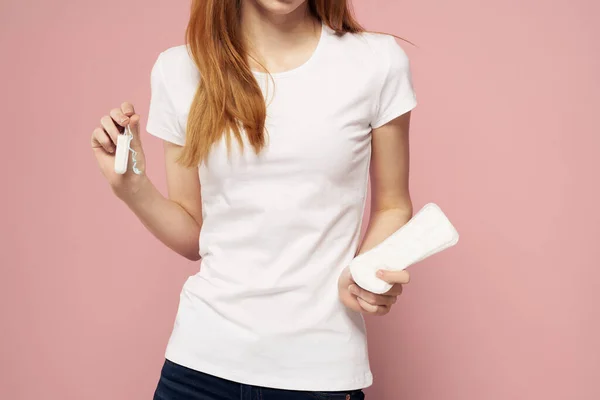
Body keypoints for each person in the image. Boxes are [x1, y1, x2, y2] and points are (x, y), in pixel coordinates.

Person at [91, 0, 417, 399]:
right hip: (198, 367)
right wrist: (132, 187)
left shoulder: (376, 63)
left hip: (319, 370)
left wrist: (369, 272)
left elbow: (393, 205)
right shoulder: (179, 70)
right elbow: (194, 236)